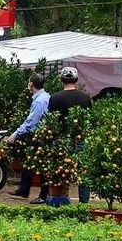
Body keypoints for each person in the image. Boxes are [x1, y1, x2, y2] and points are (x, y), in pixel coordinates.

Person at [30, 66, 93, 204]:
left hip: (61, 141)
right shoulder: (85, 97)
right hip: (80, 139)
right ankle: (84, 202)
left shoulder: (55, 98)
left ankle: (60, 200)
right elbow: (89, 120)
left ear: (61, 80)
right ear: (76, 80)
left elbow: (52, 120)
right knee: (82, 171)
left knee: (59, 170)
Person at [7, 73, 50, 199]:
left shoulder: (40, 100)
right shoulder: (44, 97)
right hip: (39, 135)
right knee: (30, 163)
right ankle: (23, 190)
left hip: (39, 136)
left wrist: (15, 134)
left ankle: (43, 195)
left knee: (40, 166)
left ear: (31, 84)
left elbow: (31, 121)